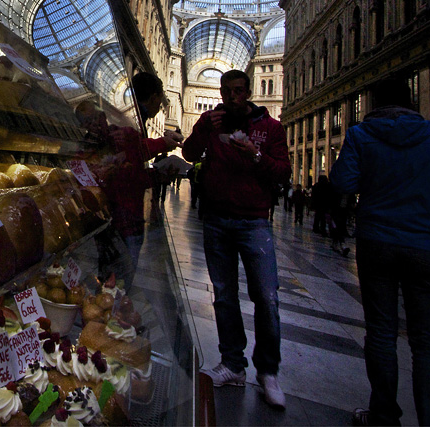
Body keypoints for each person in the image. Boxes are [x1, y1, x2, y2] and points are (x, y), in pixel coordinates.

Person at [330, 76, 430, 427]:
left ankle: (384, 415)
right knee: (429, 346)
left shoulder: (360, 136)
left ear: (374, 104)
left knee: (382, 334)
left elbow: (342, 182)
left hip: (378, 246)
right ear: (411, 101)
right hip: (429, 250)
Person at [182, 69, 291, 409]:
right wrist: (203, 128)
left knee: (266, 296)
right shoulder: (210, 123)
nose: (232, 97)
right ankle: (233, 364)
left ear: (249, 91)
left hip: (254, 222)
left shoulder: (270, 128)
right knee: (225, 296)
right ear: (220, 91)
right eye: (226, 91)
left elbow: (282, 172)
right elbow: (189, 154)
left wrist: (254, 155)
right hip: (217, 220)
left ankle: (268, 371)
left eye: (239, 91)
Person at [75, 73, 181, 281]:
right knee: (114, 275)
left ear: (103, 117)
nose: (95, 125)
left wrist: (156, 176)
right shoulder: (86, 150)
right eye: (88, 122)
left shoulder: (125, 134)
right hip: (108, 222)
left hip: (130, 219)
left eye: (96, 118)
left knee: (123, 275)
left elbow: (134, 174)